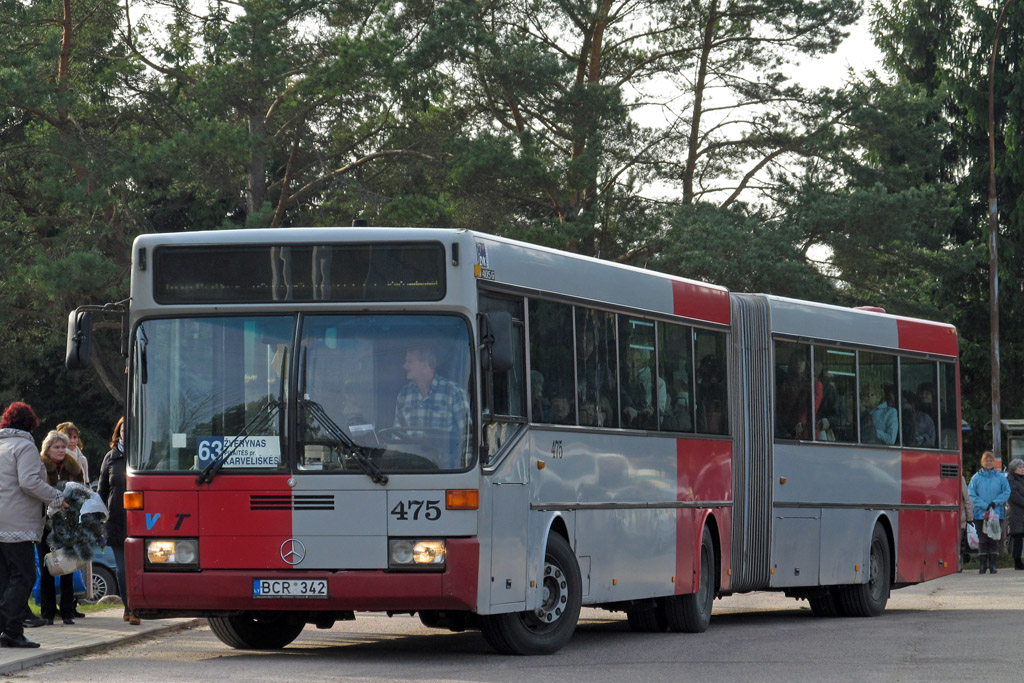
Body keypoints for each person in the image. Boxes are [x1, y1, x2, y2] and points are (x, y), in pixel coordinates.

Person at [0, 402, 64, 648]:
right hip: (18, 523)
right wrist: (56, 497)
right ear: (30, 423)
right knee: (24, 576)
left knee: (5, 578)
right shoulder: (24, 446)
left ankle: (11, 632)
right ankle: (8, 624)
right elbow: (28, 482)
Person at [393, 347, 470, 468]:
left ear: (426, 364)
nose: (404, 366)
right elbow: (397, 435)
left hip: (444, 468)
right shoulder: (404, 394)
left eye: (410, 362)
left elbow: (467, 434)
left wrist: (465, 467)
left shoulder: (453, 392)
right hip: (410, 467)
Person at [37, 430, 84, 625]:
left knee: (68, 567)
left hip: (67, 523)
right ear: (47, 449)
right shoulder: (39, 466)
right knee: (47, 566)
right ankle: (47, 613)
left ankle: (67, 611)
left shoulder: (73, 467)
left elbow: (83, 491)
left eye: (63, 447)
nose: (61, 450)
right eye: (56, 447)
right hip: (45, 524)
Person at [98, 417, 139, 625]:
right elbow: (102, 490)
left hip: (141, 522)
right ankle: (129, 607)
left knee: (137, 568)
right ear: (118, 432)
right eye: (123, 430)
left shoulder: (144, 455)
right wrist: (99, 516)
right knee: (122, 569)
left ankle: (138, 606)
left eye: (130, 430)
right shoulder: (110, 457)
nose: (126, 433)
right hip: (116, 521)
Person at [54, 421, 89, 618]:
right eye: (69, 438)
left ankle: (72, 603)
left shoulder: (81, 458)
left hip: (78, 510)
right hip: (62, 511)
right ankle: (59, 603)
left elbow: (85, 483)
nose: (73, 441)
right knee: (61, 559)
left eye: (75, 437)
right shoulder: (60, 459)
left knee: (75, 558)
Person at [968, 451, 1011, 574]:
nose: (989, 463)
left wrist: (995, 503)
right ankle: (982, 564)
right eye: (986, 460)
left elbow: (1006, 492)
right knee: (983, 539)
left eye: (991, 460)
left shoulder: (1000, 477)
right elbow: (972, 494)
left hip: (996, 513)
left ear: (994, 462)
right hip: (980, 514)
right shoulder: (976, 478)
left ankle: (993, 565)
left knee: (994, 538)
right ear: (982, 462)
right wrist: (984, 505)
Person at [1007, 458, 1024, 570]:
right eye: (1020, 467)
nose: (1023, 469)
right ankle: (1017, 561)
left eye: (1023, 467)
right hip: (1016, 512)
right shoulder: (1010, 480)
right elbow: (1014, 496)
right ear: (1013, 469)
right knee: (1018, 537)